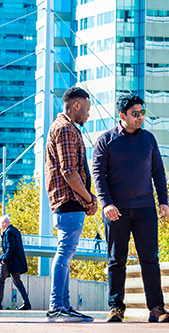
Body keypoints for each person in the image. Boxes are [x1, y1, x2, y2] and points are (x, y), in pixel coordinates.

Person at [92, 93, 169, 323]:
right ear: (122, 116)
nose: (140, 117)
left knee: (150, 259)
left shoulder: (148, 139)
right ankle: (116, 308)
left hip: (145, 209)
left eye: (142, 112)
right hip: (116, 211)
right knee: (116, 260)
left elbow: (158, 171)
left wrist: (163, 201)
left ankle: (156, 308)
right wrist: (106, 203)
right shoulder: (105, 140)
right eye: (135, 114)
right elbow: (98, 175)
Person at [44, 86, 98, 323]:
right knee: (64, 252)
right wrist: (89, 199)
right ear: (76, 105)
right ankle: (57, 305)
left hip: (67, 201)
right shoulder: (65, 129)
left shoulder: (64, 128)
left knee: (66, 252)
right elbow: (69, 172)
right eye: (86, 109)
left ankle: (63, 305)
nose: (88, 115)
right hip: (69, 201)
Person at [0, 214, 31, 310]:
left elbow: (10, 248)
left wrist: (4, 260)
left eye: (0, 224)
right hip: (15, 262)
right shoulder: (15, 230)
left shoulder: (9, 232)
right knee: (17, 281)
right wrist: (2, 235)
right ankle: (26, 303)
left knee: (0, 279)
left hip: (9, 262)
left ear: (4, 223)